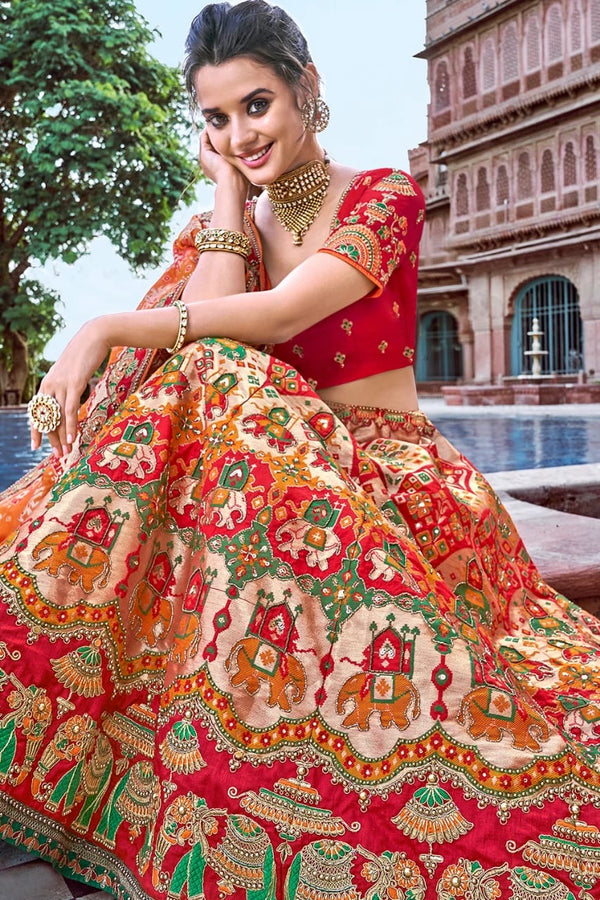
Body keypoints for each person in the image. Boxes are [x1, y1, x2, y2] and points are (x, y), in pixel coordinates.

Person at [0, 3, 599, 898]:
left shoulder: (383, 196)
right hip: (277, 469)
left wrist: (100, 329)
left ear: (306, 92)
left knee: (224, 383)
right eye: (216, 118)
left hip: (387, 475)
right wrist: (231, 200)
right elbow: (208, 341)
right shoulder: (233, 219)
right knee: (208, 380)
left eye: (257, 105)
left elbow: (275, 319)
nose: (239, 133)